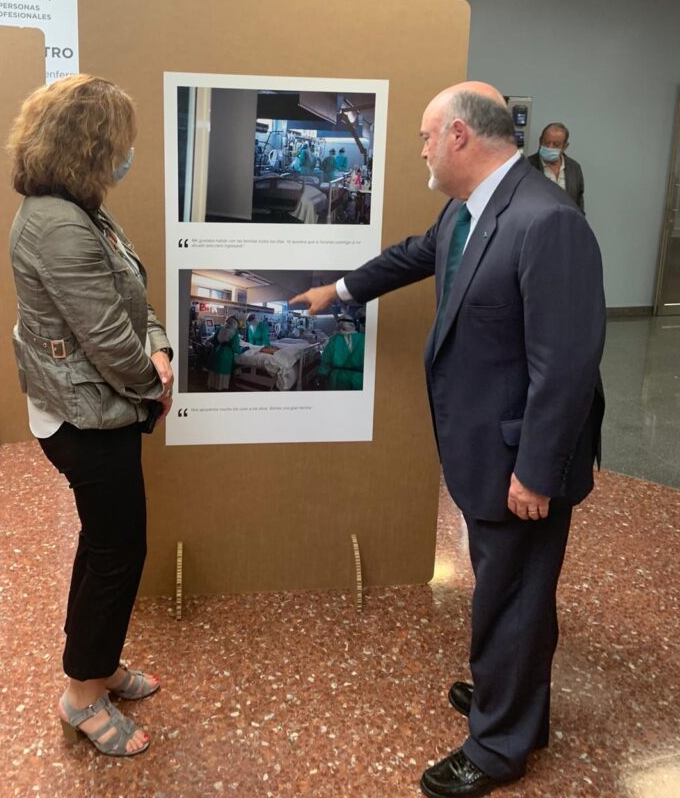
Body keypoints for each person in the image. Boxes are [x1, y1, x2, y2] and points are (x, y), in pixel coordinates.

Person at [291, 82, 605, 798]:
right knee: (508, 591)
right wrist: (338, 290)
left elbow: (567, 364)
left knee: (514, 597)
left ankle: (498, 747)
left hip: (520, 461)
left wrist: (535, 471)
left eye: (429, 136)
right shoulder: (470, 209)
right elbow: (415, 255)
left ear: (461, 135)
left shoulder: (546, 221)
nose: (423, 150)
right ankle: (516, 705)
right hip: (484, 448)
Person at [8, 74, 174, 758]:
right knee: (117, 549)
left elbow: (132, 293)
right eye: (120, 143)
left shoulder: (81, 210)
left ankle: (96, 667)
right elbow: (109, 341)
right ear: (90, 146)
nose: (126, 154)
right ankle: (81, 696)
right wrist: (155, 381)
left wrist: (158, 343)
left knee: (107, 544)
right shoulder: (57, 225)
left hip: (101, 408)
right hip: (87, 420)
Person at [527, 122, 584, 212]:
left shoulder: (574, 168)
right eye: (546, 143)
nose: (550, 147)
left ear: (565, 146)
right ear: (540, 141)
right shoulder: (527, 166)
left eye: (556, 144)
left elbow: (579, 202)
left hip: (567, 222)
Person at [317, 314, 364, 389]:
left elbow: (326, 361)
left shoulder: (334, 340)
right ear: (352, 325)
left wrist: (322, 375)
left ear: (338, 325)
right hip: (359, 380)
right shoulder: (363, 338)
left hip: (338, 380)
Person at [206, 316, 242, 390]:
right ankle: (220, 388)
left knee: (214, 371)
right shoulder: (234, 332)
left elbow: (214, 340)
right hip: (226, 354)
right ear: (235, 324)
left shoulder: (220, 328)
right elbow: (235, 347)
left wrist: (208, 341)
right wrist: (241, 350)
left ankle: (212, 386)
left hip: (216, 352)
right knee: (222, 372)